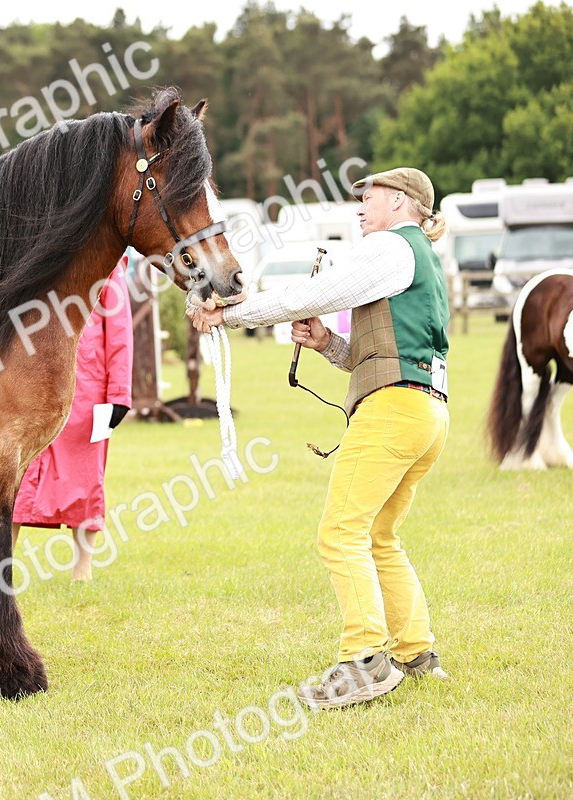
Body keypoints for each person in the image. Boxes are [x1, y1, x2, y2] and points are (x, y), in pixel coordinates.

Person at [190, 168, 451, 710]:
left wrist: (228, 314)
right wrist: (328, 342)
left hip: (394, 411)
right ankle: (416, 654)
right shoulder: (419, 254)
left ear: (399, 202)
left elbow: (307, 294)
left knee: (340, 533)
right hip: (426, 411)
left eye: (369, 197)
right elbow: (375, 356)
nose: (360, 207)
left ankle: (364, 662)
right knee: (379, 535)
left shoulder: (390, 248)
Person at [12, 257, 134, 581]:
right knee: (14, 475)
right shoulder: (37, 256)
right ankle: (1, 563)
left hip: (87, 389)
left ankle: (83, 568)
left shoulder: (107, 264)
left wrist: (119, 394)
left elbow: (120, 330)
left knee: (86, 478)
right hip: (35, 385)